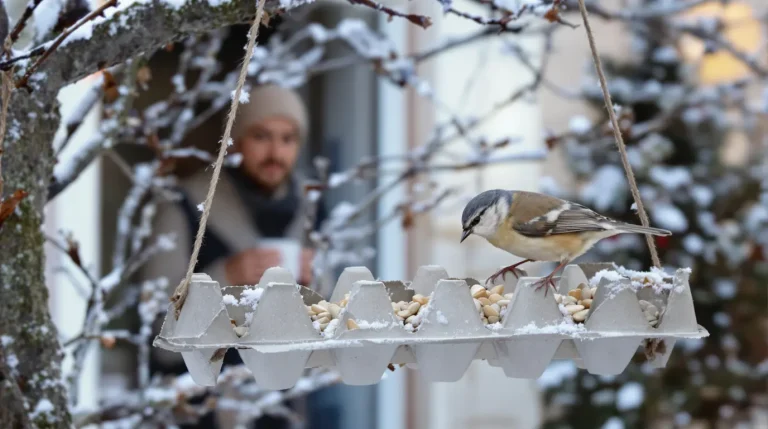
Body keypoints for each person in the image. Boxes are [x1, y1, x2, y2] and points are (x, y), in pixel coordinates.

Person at [143, 84, 326, 428]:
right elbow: (155, 327)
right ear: (237, 141)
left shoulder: (310, 210)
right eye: (261, 136)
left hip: (280, 408)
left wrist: (317, 283)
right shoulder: (183, 206)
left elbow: (330, 330)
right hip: (197, 411)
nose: (276, 152)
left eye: (288, 139)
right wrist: (225, 276)